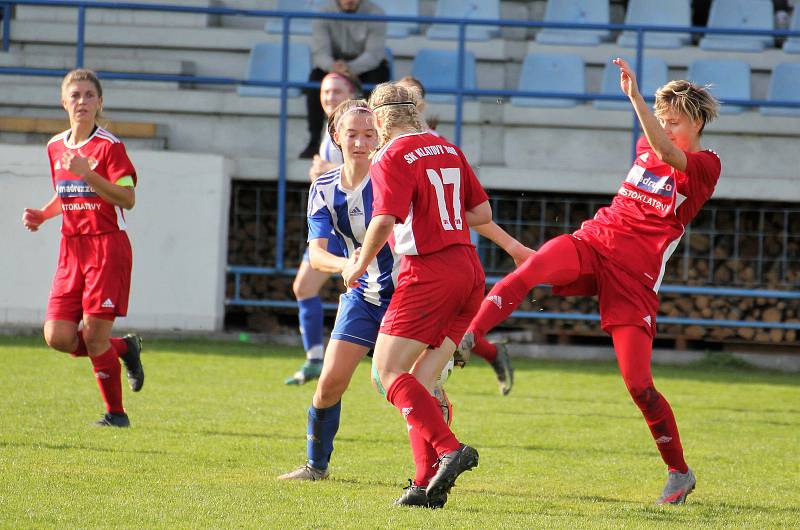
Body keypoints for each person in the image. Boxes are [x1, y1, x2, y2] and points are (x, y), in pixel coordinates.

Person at [459, 58, 721, 505]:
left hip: (634, 279)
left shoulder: (706, 164)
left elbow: (668, 155)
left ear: (696, 122)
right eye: (660, 120)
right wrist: (647, 111)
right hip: (594, 241)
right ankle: (469, 337)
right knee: (534, 266)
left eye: (672, 121)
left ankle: (679, 472)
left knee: (639, 384)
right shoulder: (646, 143)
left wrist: (636, 98)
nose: (662, 127)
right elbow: (655, 150)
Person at [279, 99, 531, 497]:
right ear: (335, 138)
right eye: (352, 134)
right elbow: (315, 252)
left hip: (412, 289)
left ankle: (430, 471)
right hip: (364, 295)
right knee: (329, 384)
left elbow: (460, 214)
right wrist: (347, 266)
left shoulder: (395, 167)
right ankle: (317, 464)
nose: (362, 142)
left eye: (369, 133)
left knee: (415, 384)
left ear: (380, 132)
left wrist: (511, 246)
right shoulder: (325, 188)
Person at [341, 82, 507, 508]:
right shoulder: (446, 148)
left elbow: (383, 221)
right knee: (422, 380)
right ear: (414, 113)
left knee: (386, 373)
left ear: (379, 121)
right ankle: (423, 484)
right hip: (469, 270)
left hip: (428, 272)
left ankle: (451, 450)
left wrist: (358, 265)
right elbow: (482, 213)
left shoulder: (391, 155)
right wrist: (438, 213)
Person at [21, 69, 144, 428]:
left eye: (90, 95)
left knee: (92, 336)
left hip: (107, 248)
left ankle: (116, 414)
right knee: (57, 336)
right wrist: (44, 214)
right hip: (71, 249)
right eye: (75, 95)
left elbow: (128, 199)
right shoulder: (55, 146)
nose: (82, 102)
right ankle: (122, 348)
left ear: (100, 102)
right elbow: (66, 193)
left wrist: (88, 172)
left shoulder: (109, 146)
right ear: (64, 102)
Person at [395, 74, 516, 395]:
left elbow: (473, 211)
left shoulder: (433, 147)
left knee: (416, 373)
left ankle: (441, 437)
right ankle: (488, 351)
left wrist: (511, 245)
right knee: (416, 364)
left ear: (420, 106)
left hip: (435, 255)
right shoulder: (379, 142)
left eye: (410, 100)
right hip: (402, 259)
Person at [287, 72, 359, 385]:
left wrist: (327, 170)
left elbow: (368, 170)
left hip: (353, 222)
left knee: (369, 292)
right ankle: (315, 358)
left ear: (352, 92)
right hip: (331, 221)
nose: (329, 96)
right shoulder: (332, 125)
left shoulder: (357, 124)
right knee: (304, 287)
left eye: (336, 90)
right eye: (325, 91)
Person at [300, 0, 390, 159]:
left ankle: (375, 140)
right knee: (315, 81)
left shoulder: (376, 13)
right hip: (334, 64)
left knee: (378, 80)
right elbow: (320, 52)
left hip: (364, 66)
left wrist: (349, 68)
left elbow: (374, 54)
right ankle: (314, 141)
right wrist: (333, 67)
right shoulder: (323, 13)